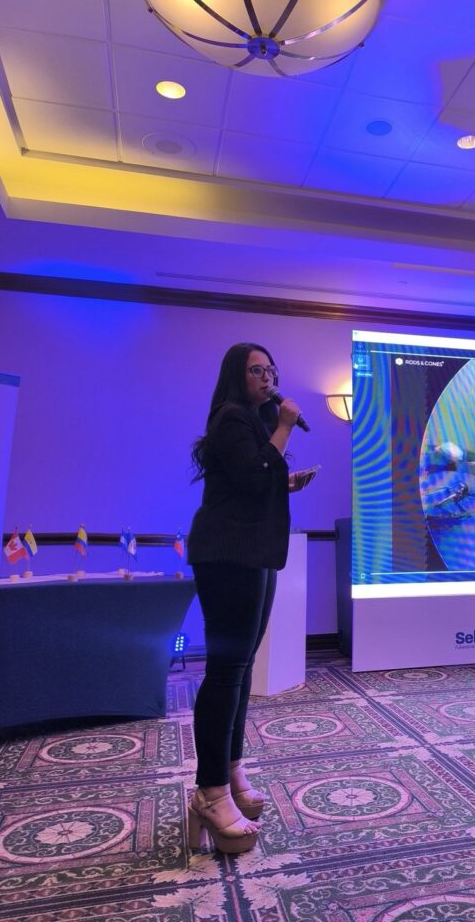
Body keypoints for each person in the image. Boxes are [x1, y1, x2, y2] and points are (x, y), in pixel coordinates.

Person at [187, 342, 302, 854]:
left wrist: (284, 481)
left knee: (241, 666)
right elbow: (253, 476)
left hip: (253, 553)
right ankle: (210, 791)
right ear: (238, 375)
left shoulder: (253, 422)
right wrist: (284, 426)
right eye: (257, 370)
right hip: (228, 556)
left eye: (271, 369)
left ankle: (231, 771)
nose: (267, 377)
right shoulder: (231, 416)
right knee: (226, 671)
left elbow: (252, 480)